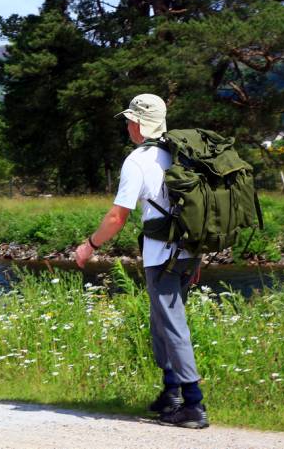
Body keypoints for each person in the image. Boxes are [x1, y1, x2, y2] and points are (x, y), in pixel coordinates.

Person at [73, 94, 209, 429]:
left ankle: (194, 404)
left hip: (161, 255)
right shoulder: (182, 155)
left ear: (140, 124)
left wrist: (89, 246)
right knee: (161, 320)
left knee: (172, 323)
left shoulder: (137, 161)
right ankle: (172, 393)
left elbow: (118, 216)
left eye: (130, 120)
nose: (127, 126)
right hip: (188, 251)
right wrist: (198, 255)